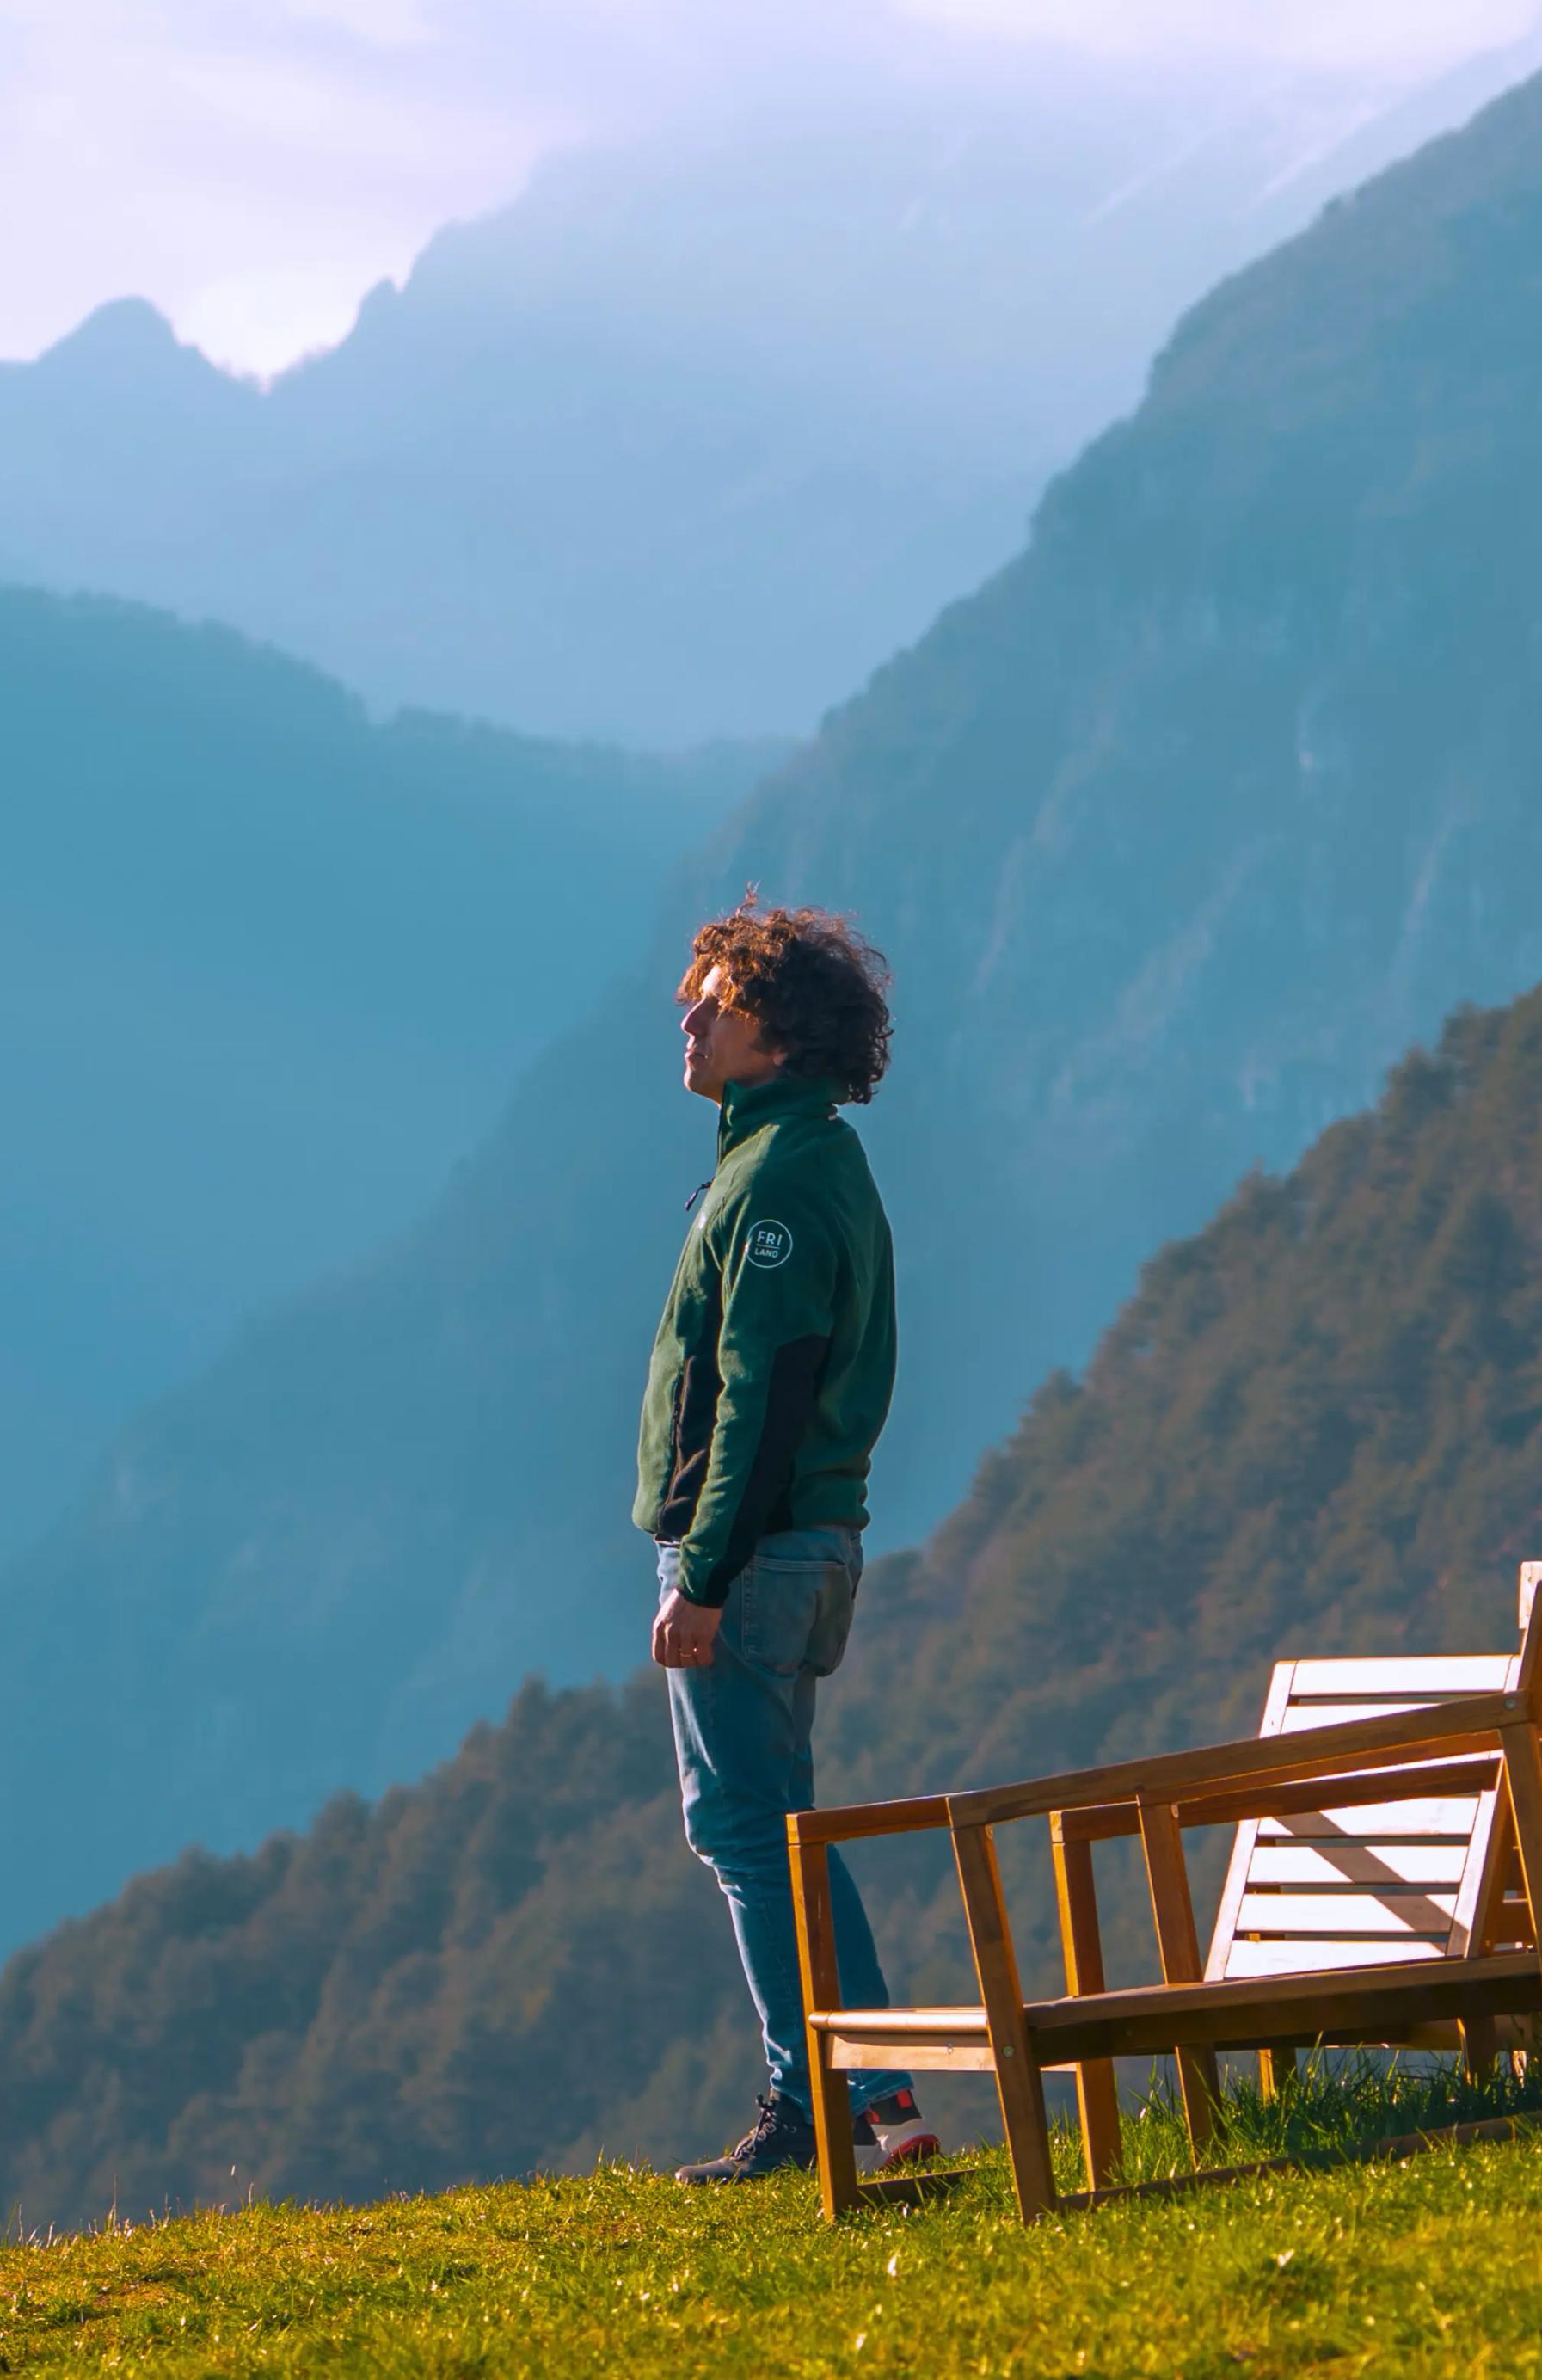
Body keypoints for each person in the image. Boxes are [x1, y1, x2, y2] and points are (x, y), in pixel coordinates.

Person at [635, 895, 939, 2186]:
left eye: (717, 998)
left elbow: (765, 1397)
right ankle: (882, 2107)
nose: (690, 1016)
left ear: (780, 1032)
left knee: (750, 1839)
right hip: (795, 1551)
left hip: (752, 1558)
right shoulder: (795, 1160)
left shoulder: (778, 1185)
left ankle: (816, 2102)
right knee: (779, 1832)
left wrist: (702, 1578)